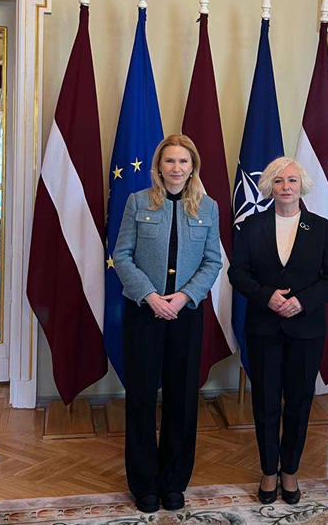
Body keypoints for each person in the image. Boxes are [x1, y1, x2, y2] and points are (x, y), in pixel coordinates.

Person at [113, 134, 222, 514]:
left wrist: (184, 297)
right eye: (170, 161)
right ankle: (144, 484)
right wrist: (150, 296)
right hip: (144, 312)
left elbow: (213, 261)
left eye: (183, 161)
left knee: (182, 397)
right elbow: (122, 255)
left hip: (185, 313)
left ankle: (174, 482)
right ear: (159, 166)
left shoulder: (208, 207)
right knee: (142, 397)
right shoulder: (138, 202)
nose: (176, 168)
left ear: (193, 168)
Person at [228, 157, 328, 505]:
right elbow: (237, 274)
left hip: (306, 330)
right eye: (279, 181)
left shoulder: (321, 227)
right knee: (266, 403)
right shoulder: (251, 226)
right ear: (269, 186)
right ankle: (269, 471)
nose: (286, 187)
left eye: (292, 180)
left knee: (298, 402)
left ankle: (290, 470)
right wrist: (266, 296)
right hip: (263, 327)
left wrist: (302, 302)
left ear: (302, 186)